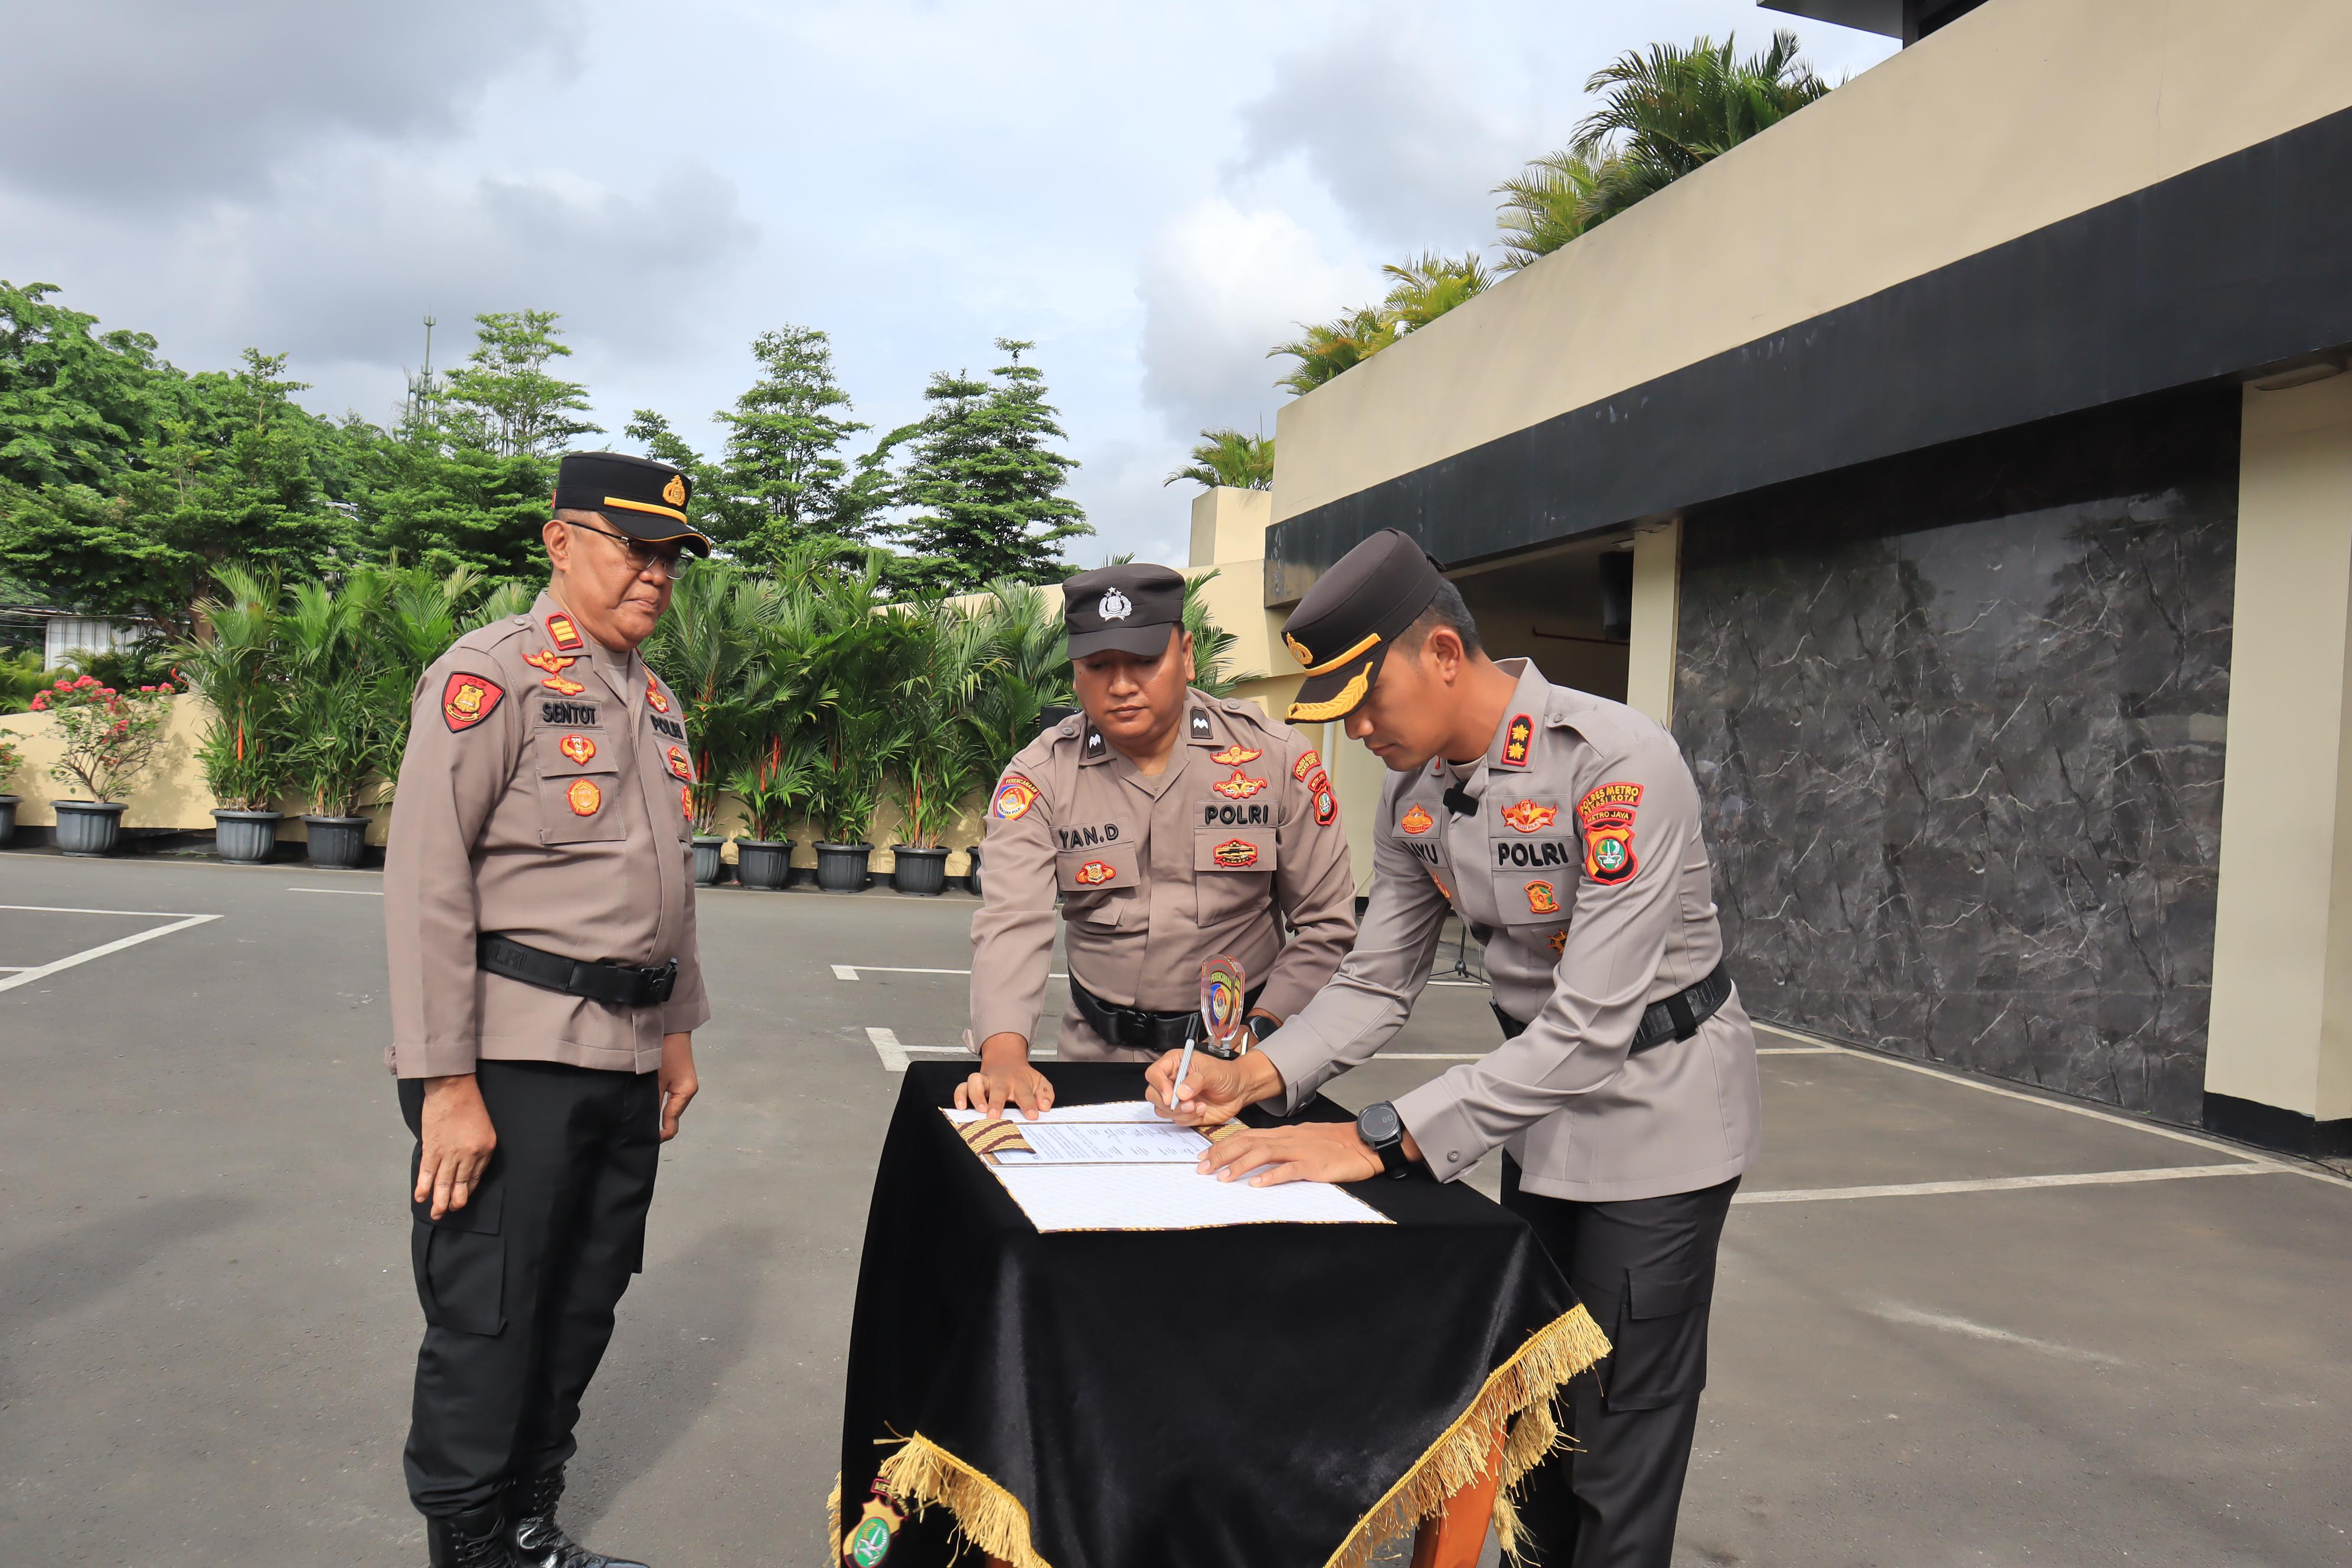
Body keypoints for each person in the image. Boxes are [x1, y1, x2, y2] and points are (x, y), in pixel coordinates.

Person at [1148, 528, 1761, 1568]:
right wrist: (1248, 1074)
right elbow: (1374, 976)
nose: (1356, 729)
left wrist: (1378, 1138)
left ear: (1440, 653)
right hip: (1535, 1113)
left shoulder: (1615, 765)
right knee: (1533, 1423)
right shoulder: (1412, 795)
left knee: (1615, 1443)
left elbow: (1591, 1024)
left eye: (1364, 699)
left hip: (1657, 1118)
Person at [384, 450, 714, 1568]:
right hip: (510, 1057)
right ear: (559, 541)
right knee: (494, 1312)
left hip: (625, 1057)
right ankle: (469, 1544)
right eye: (636, 547)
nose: (657, 573)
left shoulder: (656, 703)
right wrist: (445, 1085)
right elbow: (427, 884)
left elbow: (671, 885)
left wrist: (674, 1033)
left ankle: (527, 1524)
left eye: (672, 555)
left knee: (580, 1301)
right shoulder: (491, 677)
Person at [959, 561, 1357, 1116]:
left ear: (1188, 655)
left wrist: (1256, 1042)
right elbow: (1012, 922)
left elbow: (1326, 926)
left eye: (1144, 661)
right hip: (1096, 1063)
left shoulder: (1274, 759)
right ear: (1075, 674)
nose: (1121, 685)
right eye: (1098, 666)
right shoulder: (1041, 777)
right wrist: (1002, 1054)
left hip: (1243, 1055)